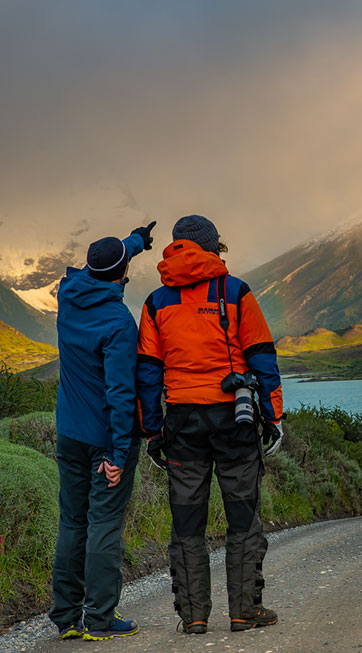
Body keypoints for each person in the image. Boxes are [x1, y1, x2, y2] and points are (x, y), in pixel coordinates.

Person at [136, 215, 284, 634]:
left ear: (177, 248)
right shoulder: (236, 292)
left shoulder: (155, 302)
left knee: (187, 522)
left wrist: (152, 431)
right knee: (242, 518)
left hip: (181, 421)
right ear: (213, 247)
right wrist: (273, 416)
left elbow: (147, 373)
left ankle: (194, 616)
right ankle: (243, 612)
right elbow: (261, 356)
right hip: (233, 418)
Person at [50, 220, 156, 641]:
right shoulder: (118, 322)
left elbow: (99, 265)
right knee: (105, 523)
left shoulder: (68, 295)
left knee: (72, 523)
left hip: (69, 434)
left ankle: (66, 618)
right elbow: (119, 392)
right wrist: (116, 451)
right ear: (123, 274)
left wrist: (134, 242)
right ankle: (99, 619)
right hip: (104, 440)